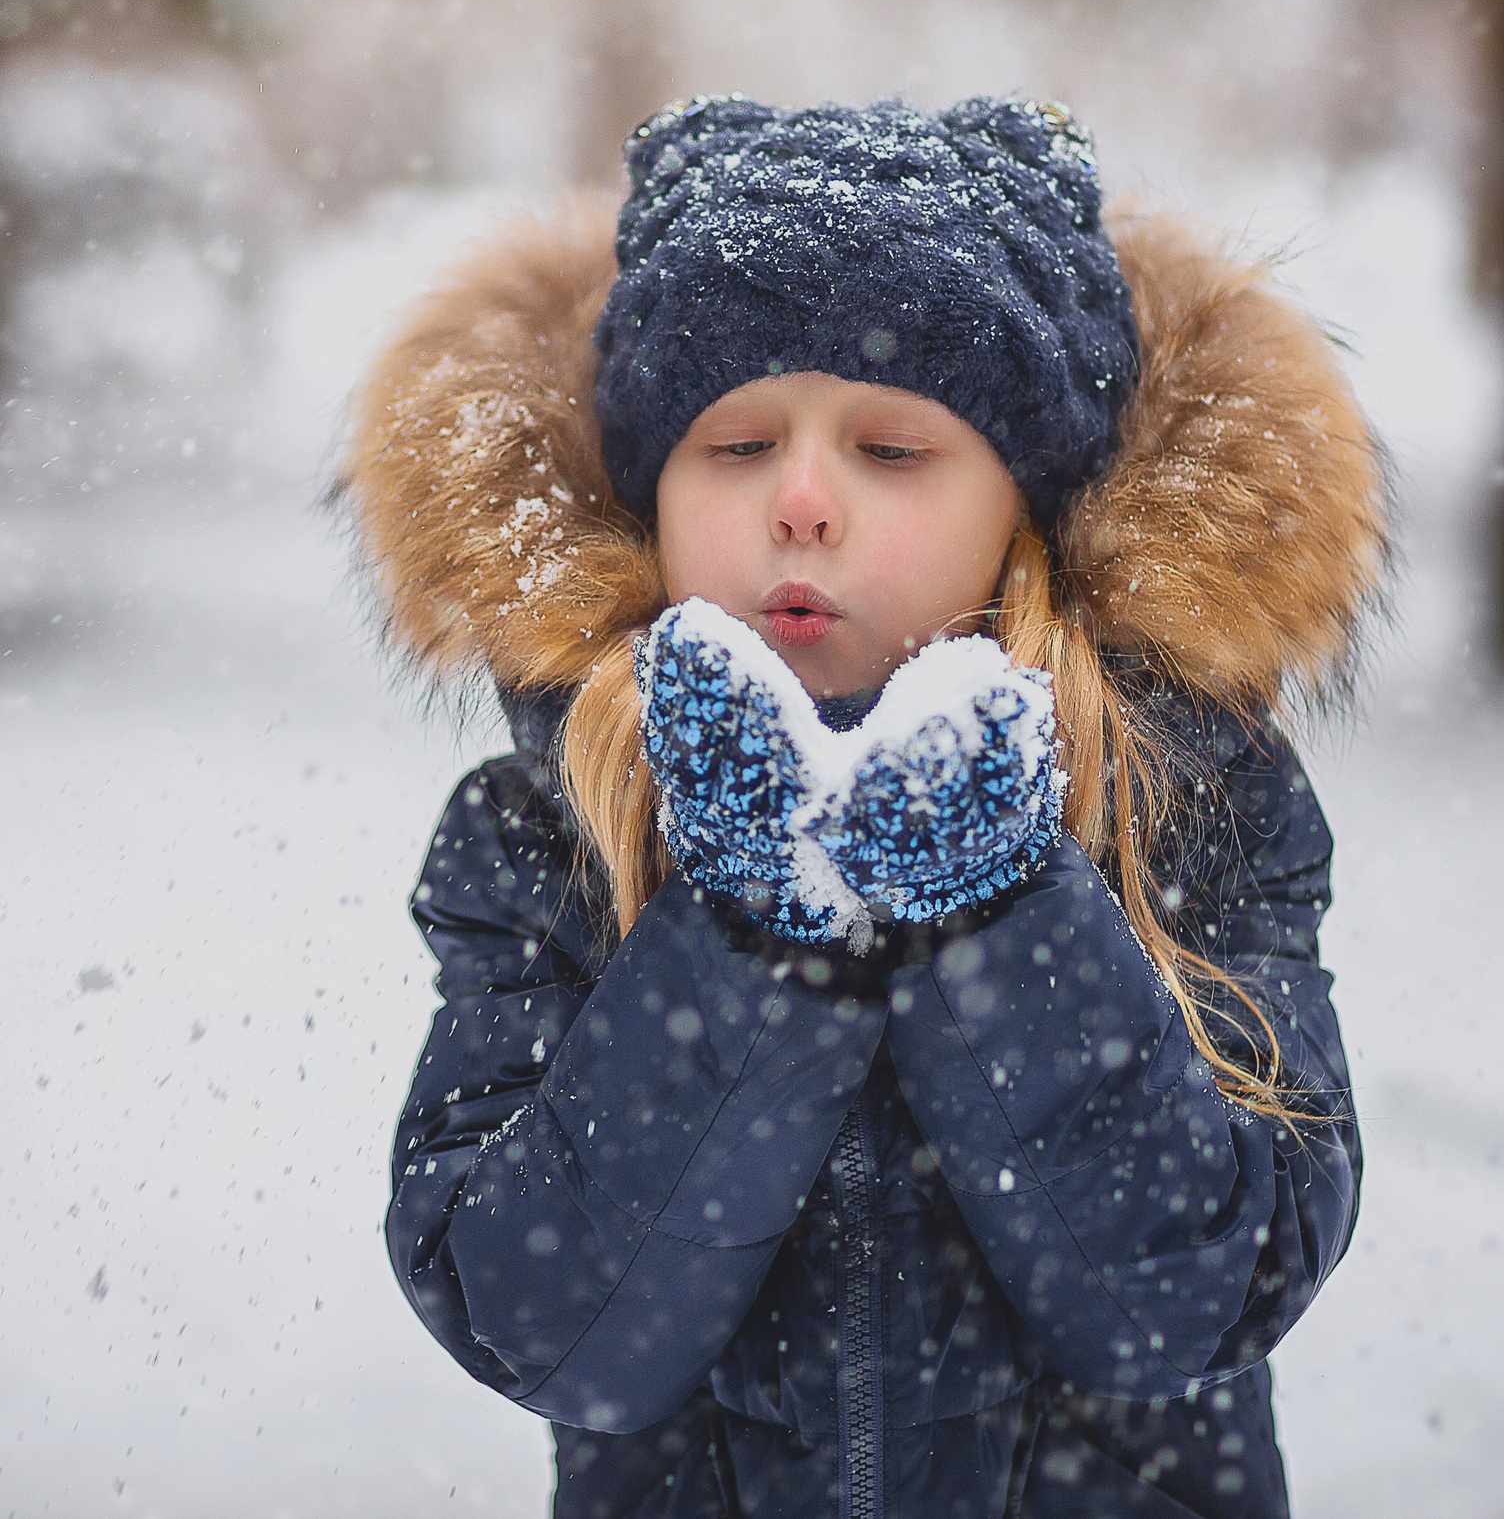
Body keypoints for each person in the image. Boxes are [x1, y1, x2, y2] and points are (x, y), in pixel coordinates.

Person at [335, 95, 1387, 1519]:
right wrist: (749, 935)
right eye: (736, 446)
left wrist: (1000, 906)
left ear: (1027, 506)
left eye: (891, 451)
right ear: (650, 497)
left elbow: (1186, 1298)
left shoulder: (1196, 801)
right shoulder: (546, 837)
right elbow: (552, 1327)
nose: (805, 502)